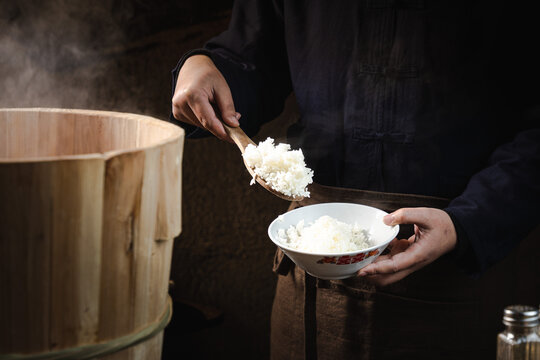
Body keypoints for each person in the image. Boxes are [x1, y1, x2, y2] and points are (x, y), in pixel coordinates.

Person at [170, 1, 540, 359]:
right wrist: (207, 66)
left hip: (457, 267)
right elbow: (254, 54)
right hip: (312, 262)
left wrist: (468, 222)